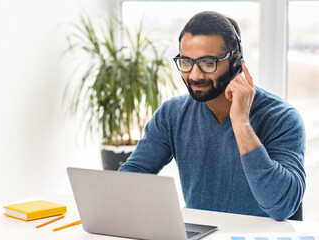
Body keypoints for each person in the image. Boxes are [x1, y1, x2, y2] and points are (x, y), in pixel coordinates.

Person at [118, 11, 305, 221]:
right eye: (186, 62)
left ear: (235, 61)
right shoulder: (172, 114)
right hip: (202, 233)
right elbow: (134, 174)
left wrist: (241, 123)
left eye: (208, 63)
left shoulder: (282, 118)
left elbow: (282, 207)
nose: (195, 75)